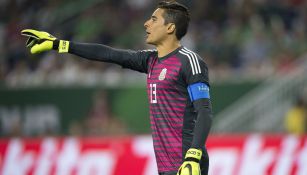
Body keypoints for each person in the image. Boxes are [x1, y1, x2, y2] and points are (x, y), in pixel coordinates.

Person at [21, 1, 212, 175]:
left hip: (187, 163)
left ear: (170, 27)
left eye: (154, 19)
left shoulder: (189, 61)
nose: (146, 24)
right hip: (166, 165)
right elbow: (109, 54)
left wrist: (192, 157)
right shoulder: (150, 60)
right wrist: (58, 44)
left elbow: (204, 111)